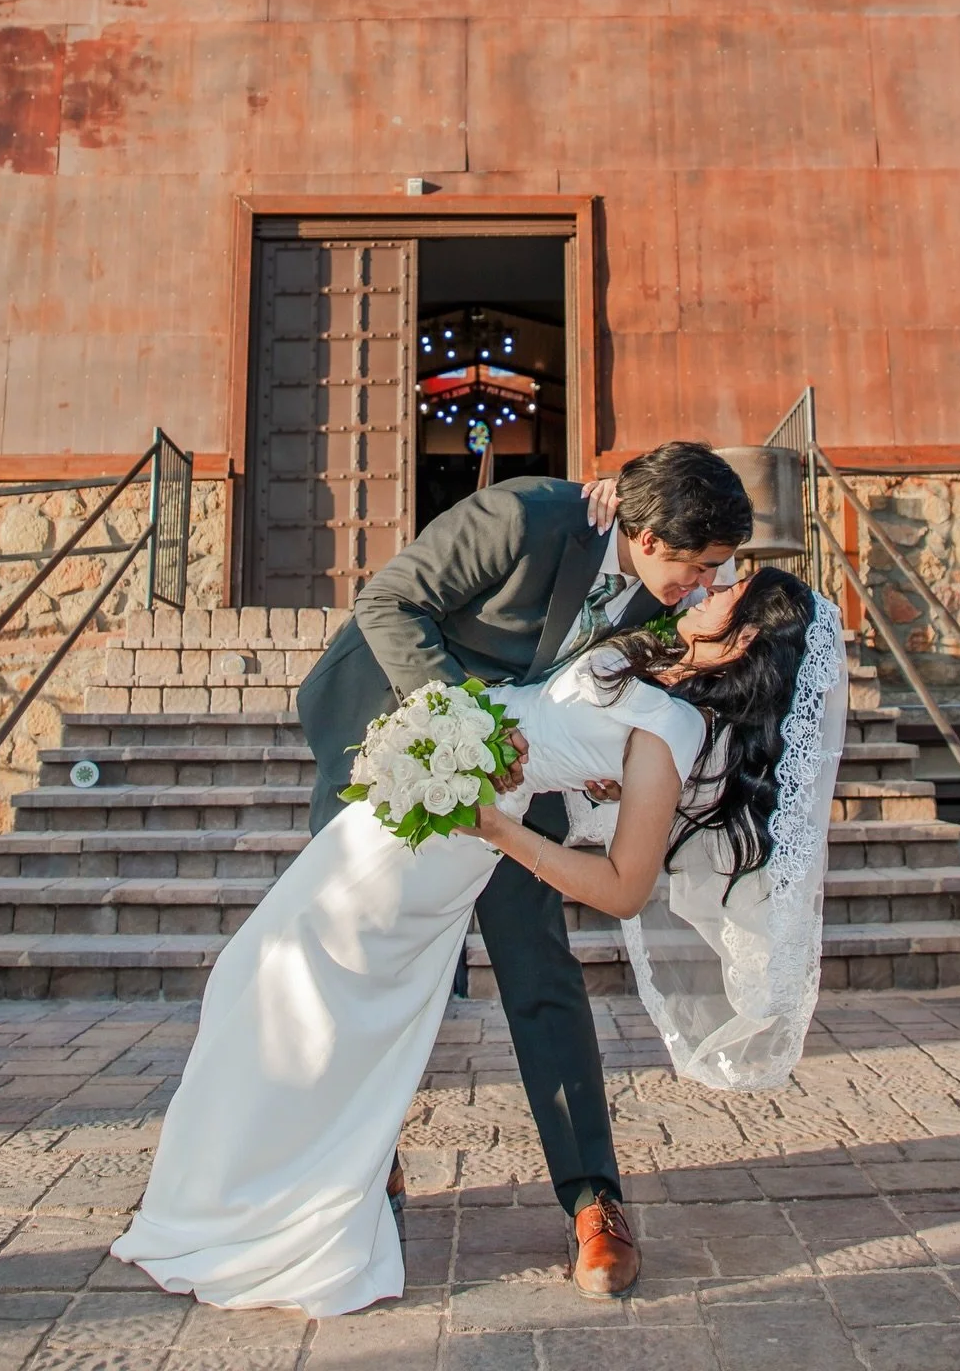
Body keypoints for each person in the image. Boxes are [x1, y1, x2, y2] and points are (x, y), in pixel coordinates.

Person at [111, 565, 847, 1319]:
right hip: (408, 808)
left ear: (747, 636)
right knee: (261, 980)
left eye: (727, 592)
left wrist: (501, 829)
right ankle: (247, 1188)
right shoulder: (653, 662)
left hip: (456, 834)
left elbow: (625, 885)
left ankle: (257, 1208)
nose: (707, 587)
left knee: (299, 993)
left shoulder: (677, 726)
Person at [291, 440, 752, 1297]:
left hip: (517, 775)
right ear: (648, 537)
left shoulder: (659, 590)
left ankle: (593, 1200)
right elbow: (389, 603)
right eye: (698, 568)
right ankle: (361, 1169)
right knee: (359, 966)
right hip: (387, 739)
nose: (705, 587)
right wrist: (470, 730)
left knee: (540, 970)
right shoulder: (524, 518)